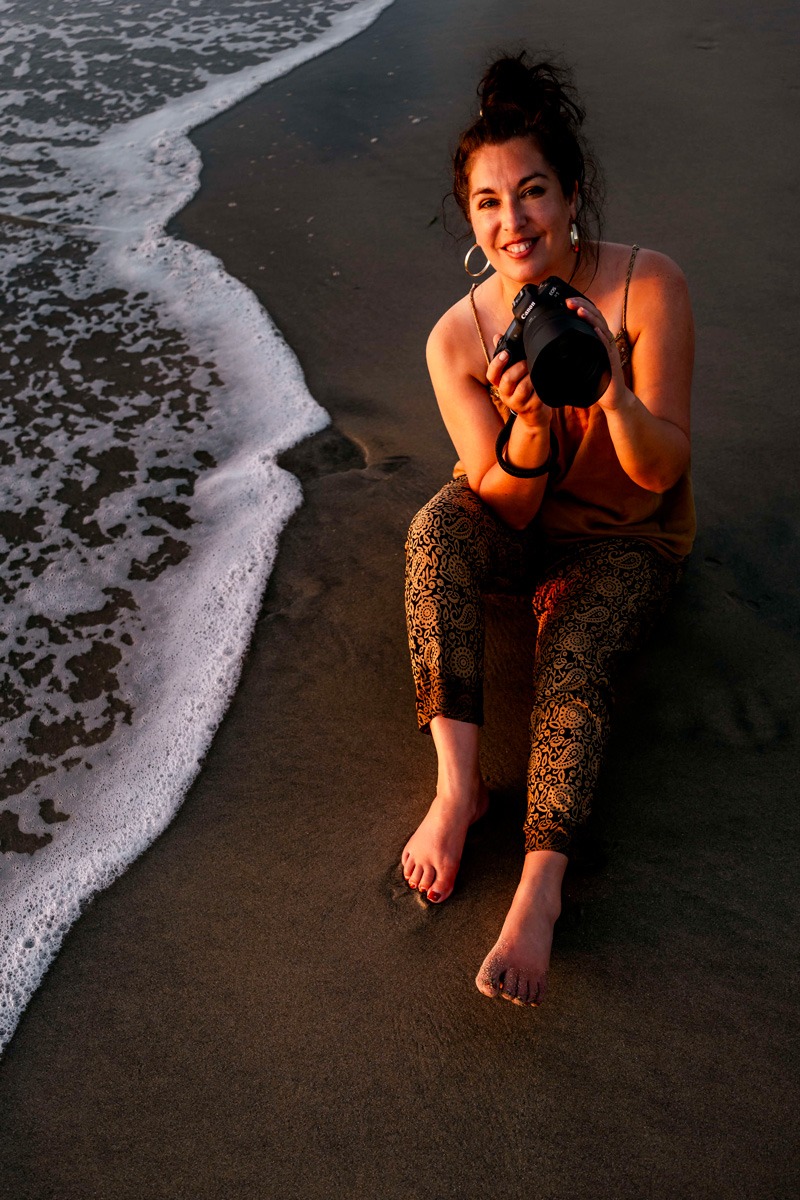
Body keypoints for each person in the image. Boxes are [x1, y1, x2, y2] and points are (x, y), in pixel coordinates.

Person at [401, 53, 695, 1007]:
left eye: (532, 192)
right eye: (488, 202)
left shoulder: (648, 288)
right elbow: (504, 504)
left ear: (572, 195)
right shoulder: (456, 339)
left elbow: (660, 473)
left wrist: (607, 385)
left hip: (625, 539)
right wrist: (527, 421)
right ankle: (458, 789)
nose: (512, 220)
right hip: (517, 524)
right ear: (470, 219)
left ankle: (542, 883)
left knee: (575, 655)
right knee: (434, 535)